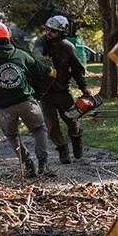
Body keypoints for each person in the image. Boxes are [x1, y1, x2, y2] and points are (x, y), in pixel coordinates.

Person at [0, 22, 56, 177]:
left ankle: (28, 165)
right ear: (8, 38)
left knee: (13, 136)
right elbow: (48, 72)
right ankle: (44, 165)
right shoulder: (22, 55)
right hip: (27, 103)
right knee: (39, 130)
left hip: (4, 108)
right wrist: (42, 90)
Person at [32, 15, 93, 163]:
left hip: (64, 91)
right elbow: (37, 51)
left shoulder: (68, 48)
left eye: (53, 31)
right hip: (45, 93)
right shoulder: (41, 43)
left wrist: (84, 87)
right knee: (52, 125)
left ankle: (76, 138)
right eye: (47, 29)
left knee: (72, 120)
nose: (49, 33)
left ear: (62, 33)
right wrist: (40, 58)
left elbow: (77, 70)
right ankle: (62, 149)